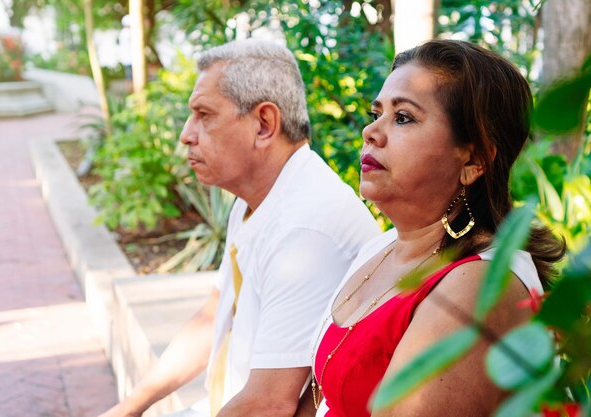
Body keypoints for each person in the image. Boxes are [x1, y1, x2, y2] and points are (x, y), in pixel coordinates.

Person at [98, 39, 381, 417]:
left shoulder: (307, 230)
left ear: (264, 124)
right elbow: (213, 316)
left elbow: (270, 404)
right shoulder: (257, 198)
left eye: (204, 114)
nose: (186, 134)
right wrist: (128, 408)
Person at [297, 40, 566, 417]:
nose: (371, 132)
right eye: (376, 113)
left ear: (473, 160)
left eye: (403, 117)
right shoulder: (380, 249)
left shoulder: (480, 284)